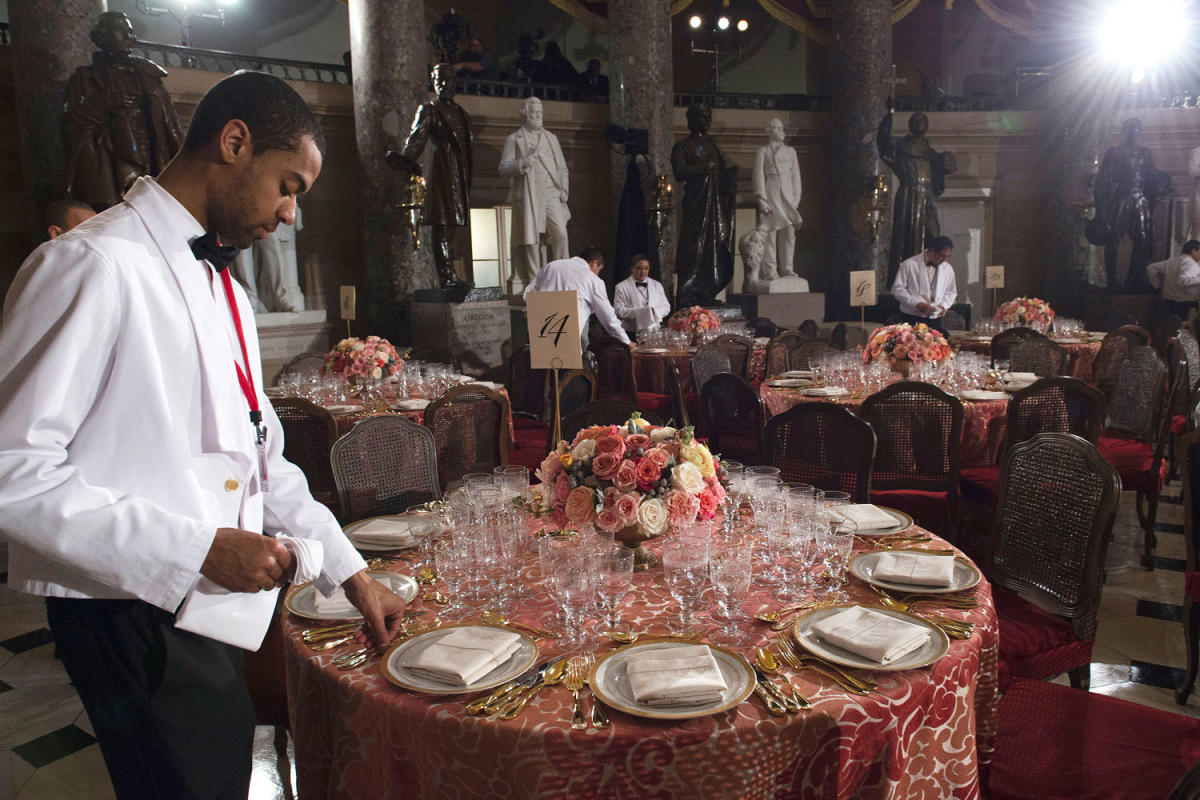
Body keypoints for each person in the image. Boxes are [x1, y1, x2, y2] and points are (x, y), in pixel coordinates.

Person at [0, 71, 406, 799]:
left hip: (210, 609)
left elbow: (264, 456)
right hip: (128, 612)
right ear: (234, 141)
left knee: (217, 772)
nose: (290, 215)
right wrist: (197, 549)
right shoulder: (92, 265)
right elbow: (12, 469)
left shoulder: (229, 289)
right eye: (288, 186)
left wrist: (354, 573)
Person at [64, 11, 183, 210]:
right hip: (110, 158)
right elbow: (74, 124)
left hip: (151, 157)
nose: (130, 37)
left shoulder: (148, 74)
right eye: (122, 31)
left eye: (130, 32)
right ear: (101, 37)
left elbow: (170, 125)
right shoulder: (85, 78)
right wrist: (103, 104)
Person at [387, 63, 473, 297]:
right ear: (434, 83)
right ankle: (447, 276)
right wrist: (405, 158)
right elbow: (417, 139)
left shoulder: (462, 114)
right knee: (442, 225)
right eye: (439, 80)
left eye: (448, 79)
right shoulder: (429, 110)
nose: (444, 84)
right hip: (444, 172)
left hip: (460, 175)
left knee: (452, 226)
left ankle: (451, 275)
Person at [1088, 117, 1173, 291]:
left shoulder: (1145, 153)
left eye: (1137, 129)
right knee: (1113, 239)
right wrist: (1102, 209)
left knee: (1142, 239)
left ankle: (1134, 279)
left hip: (1139, 199)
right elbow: (1103, 180)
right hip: (1120, 199)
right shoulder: (1114, 153)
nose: (1134, 133)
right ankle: (1112, 281)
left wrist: (1164, 183)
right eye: (1130, 129)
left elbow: (1151, 175)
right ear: (1124, 132)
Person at [878, 101, 956, 286]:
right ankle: (905, 280)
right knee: (906, 236)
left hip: (926, 195)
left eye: (922, 121)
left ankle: (930, 276)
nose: (919, 124)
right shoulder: (901, 147)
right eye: (916, 121)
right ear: (911, 125)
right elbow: (883, 144)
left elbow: (938, 178)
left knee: (932, 233)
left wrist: (944, 167)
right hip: (909, 193)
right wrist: (889, 116)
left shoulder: (931, 153)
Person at [498, 97, 570, 295]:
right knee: (531, 240)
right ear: (525, 114)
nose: (538, 117)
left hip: (551, 194)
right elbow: (503, 168)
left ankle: (562, 277)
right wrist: (523, 162)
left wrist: (564, 189)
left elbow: (562, 167)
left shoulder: (551, 138)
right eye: (534, 114)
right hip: (529, 195)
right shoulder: (514, 139)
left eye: (540, 113)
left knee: (561, 235)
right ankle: (535, 282)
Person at [671, 104, 737, 307]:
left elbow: (721, 172)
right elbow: (679, 172)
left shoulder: (712, 146)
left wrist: (731, 178)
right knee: (693, 246)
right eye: (702, 117)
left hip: (715, 205)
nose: (706, 121)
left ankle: (707, 291)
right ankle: (687, 293)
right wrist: (702, 168)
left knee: (713, 246)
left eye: (708, 117)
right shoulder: (682, 146)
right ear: (692, 120)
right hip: (696, 204)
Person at [524, 246, 629, 348]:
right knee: (578, 364)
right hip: (572, 336)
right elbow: (608, 317)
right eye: (599, 270)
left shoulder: (551, 266)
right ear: (595, 263)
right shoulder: (593, 280)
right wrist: (626, 341)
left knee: (541, 364)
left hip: (540, 331)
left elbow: (528, 295)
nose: (597, 274)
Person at [752, 118, 803, 281]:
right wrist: (761, 198)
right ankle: (770, 271)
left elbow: (796, 177)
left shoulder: (791, 151)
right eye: (777, 128)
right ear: (770, 131)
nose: (781, 131)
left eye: (782, 128)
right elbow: (758, 175)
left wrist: (796, 199)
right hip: (771, 192)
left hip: (787, 194)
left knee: (789, 233)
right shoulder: (763, 151)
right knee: (769, 233)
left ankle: (788, 269)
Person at [891, 235, 958, 333]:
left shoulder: (948, 268)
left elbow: (951, 292)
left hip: (935, 319)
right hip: (912, 317)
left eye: (947, 256)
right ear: (931, 251)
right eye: (942, 256)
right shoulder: (909, 264)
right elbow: (897, 289)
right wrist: (916, 303)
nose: (945, 260)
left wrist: (944, 306)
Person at [613, 254, 670, 336]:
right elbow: (618, 310)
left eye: (646, 268)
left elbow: (666, 307)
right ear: (632, 269)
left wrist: (654, 312)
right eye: (639, 268)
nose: (643, 271)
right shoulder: (621, 287)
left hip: (654, 333)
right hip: (631, 333)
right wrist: (640, 313)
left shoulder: (657, 285)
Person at [1147, 240, 1200, 318]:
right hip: (1186, 303)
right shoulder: (1190, 263)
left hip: (1169, 301)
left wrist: (1158, 286)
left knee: (1172, 326)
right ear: (1193, 251)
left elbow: (1151, 268)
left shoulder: (1172, 261)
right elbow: (1183, 281)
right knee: (1185, 328)